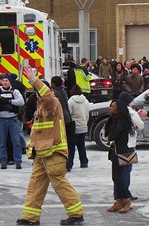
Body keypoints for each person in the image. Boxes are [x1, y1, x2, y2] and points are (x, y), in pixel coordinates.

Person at [17, 67, 84, 226]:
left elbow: (46, 95)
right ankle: (30, 217)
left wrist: (34, 80)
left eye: (38, 91)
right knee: (36, 184)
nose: (36, 94)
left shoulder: (52, 102)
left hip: (54, 152)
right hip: (41, 153)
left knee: (59, 183)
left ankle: (76, 214)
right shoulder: (41, 107)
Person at [104, 97, 143, 214]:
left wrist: (110, 134)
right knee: (116, 177)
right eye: (110, 106)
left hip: (124, 151)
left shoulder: (122, 120)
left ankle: (126, 201)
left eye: (113, 107)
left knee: (121, 178)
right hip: (116, 151)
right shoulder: (113, 119)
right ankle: (119, 201)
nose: (111, 108)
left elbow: (112, 135)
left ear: (119, 108)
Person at [0, 75, 25, 169]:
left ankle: (18, 161)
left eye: (7, 81)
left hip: (13, 120)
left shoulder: (15, 92)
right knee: (1, 142)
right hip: (1, 120)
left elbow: (21, 102)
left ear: (10, 82)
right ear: (1, 82)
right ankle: (3, 161)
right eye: (3, 81)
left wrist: (9, 101)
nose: (5, 82)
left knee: (16, 142)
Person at [52, 75, 75, 171]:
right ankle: (69, 163)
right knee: (70, 143)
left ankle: (65, 163)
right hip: (68, 119)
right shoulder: (63, 91)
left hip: (62, 120)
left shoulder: (55, 93)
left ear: (53, 84)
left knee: (63, 143)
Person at [67, 84, 90, 170]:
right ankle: (84, 162)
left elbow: (69, 114)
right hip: (83, 126)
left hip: (74, 127)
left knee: (71, 147)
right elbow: (87, 114)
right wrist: (85, 123)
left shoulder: (71, 101)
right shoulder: (86, 101)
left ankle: (69, 164)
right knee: (81, 146)